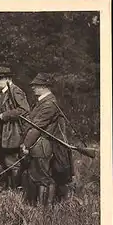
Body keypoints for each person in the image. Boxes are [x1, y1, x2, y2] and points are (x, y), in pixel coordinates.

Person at [20, 72, 72, 206]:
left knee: (42, 176)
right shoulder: (42, 102)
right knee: (39, 175)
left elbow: (36, 126)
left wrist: (26, 145)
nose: (33, 88)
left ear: (44, 86)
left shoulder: (49, 104)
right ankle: (42, 206)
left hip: (42, 144)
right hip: (40, 143)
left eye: (36, 85)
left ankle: (45, 208)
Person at [0, 66, 30, 189]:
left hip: (13, 132)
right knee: (4, 160)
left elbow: (24, 109)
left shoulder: (15, 91)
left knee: (12, 161)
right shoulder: (0, 96)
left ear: (7, 79)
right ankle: (9, 184)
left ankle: (15, 187)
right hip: (1, 133)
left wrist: (5, 115)